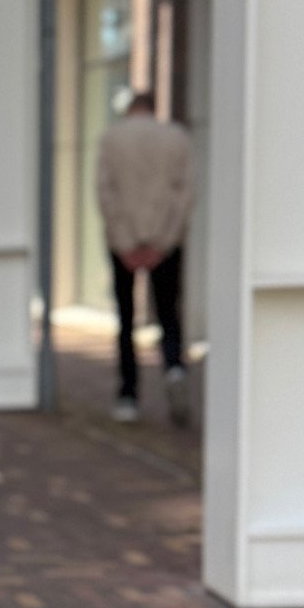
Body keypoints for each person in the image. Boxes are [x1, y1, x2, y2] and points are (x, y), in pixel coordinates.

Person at [95, 90, 195, 424]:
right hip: (165, 242)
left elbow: (105, 193)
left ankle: (128, 394)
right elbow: (185, 195)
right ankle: (174, 368)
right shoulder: (176, 139)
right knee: (168, 313)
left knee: (126, 319)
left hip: (123, 242)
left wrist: (125, 242)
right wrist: (163, 242)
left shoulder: (111, 139)